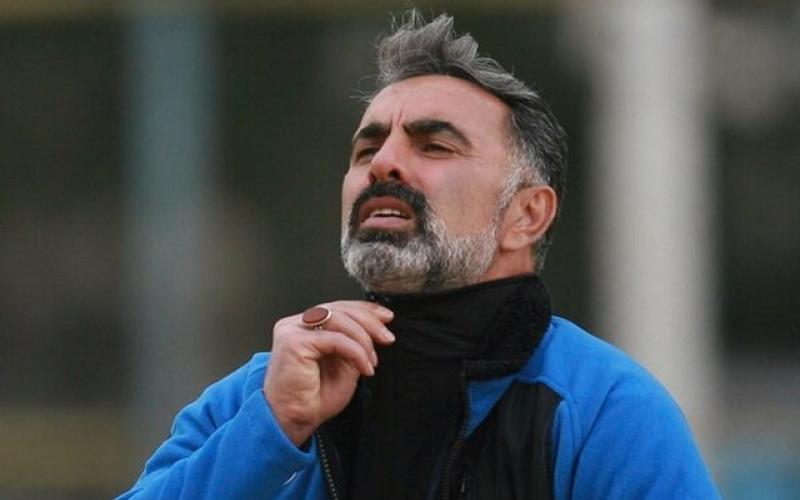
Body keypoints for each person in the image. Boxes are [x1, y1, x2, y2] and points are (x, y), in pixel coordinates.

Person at [118, 10, 720, 500]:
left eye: (434, 146)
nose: (383, 163)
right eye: (366, 150)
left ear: (527, 214)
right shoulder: (265, 394)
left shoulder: (604, 412)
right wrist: (274, 428)